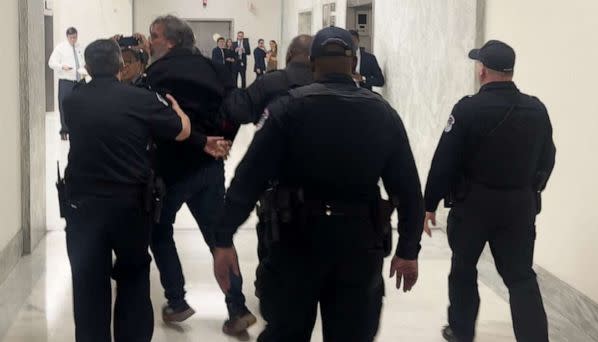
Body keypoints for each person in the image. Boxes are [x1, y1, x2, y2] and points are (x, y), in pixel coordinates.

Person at [213, 27, 425, 342]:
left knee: (285, 332)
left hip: (294, 243)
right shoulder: (383, 113)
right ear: (354, 64)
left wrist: (223, 238)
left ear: (312, 64)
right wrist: (408, 249)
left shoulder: (287, 108)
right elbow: (407, 189)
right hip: (359, 246)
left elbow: (249, 178)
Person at [423, 40, 556, 342]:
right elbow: (548, 157)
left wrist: (429, 204)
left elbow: (444, 160)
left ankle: (462, 331)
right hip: (518, 206)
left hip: (473, 205)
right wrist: (531, 190)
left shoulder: (467, 109)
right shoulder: (536, 109)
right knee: (521, 277)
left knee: (463, 269)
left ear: (482, 70)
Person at [62, 39, 191, 342]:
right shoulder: (140, 99)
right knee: (133, 278)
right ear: (121, 65)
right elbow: (182, 131)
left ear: (89, 67)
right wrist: (177, 110)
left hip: (83, 207)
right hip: (131, 206)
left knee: (88, 284)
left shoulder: (72, 100)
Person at [142, 15, 257, 336]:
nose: (149, 41)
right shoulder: (215, 69)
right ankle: (238, 307)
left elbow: (154, 120)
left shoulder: (156, 74)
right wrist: (223, 142)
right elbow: (235, 108)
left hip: (170, 171)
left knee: (159, 231)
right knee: (218, 237)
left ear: (172, 41)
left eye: (154, 36)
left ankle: (177, 301)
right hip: (209, 169)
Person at [221, 34, 314, 276]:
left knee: (274, 242)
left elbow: (239, 111)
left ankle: (269, 283)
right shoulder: (332, 87)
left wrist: (229, 89)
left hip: (277, 186)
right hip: (326, 193)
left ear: (289, 54)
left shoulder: (272, 82)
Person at [48, 27, 86, 140]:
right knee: (64, 106)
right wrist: (61, 66)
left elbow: (84, 61)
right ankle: (64, 130)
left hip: (80, 80)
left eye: (75, 37)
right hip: (66, 81)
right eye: (71, 38)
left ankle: (78, 129)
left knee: (80, 105)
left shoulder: (81, 47)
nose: (73, 40)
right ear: (67, 37)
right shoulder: (61, 48)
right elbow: (51, 63)